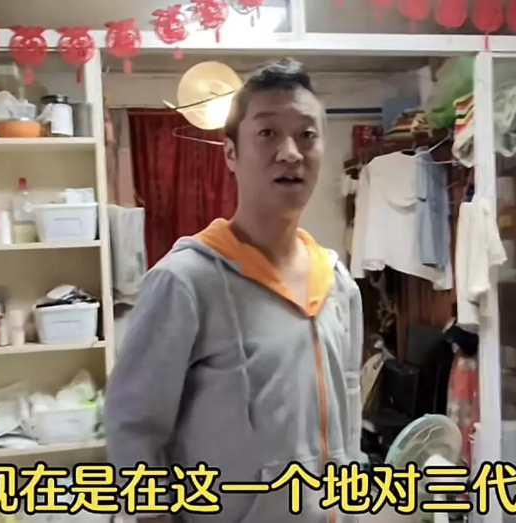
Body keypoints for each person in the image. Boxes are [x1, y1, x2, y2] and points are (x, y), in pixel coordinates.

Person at [104, 58, 365, 523]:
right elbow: (133, 430)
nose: (290, 152)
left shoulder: (338, 284)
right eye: (267, 133)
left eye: (307, 134)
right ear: (230, 153)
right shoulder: (185, 282)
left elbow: (348, 412)